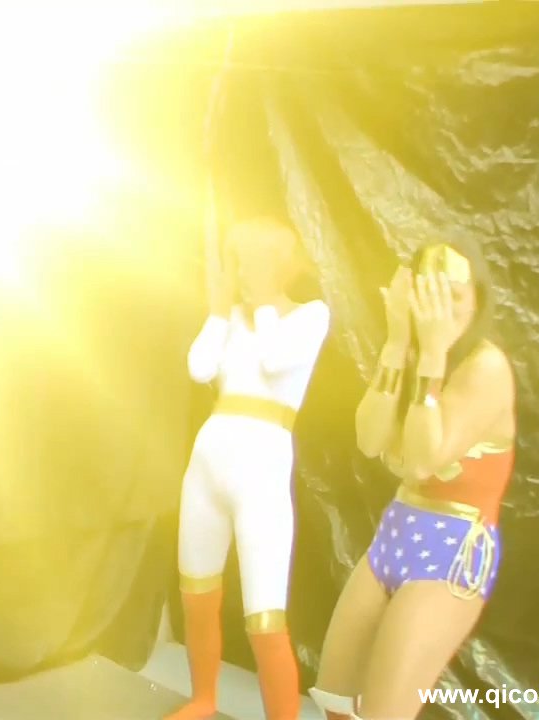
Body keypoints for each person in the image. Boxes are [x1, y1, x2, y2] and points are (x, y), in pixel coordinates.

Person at [308, 241, 517, 720]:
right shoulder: (414, 355)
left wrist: (431, 357)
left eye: (454, 295)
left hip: (452, 551)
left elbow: (423, 461)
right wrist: (397, 344)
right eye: (430, 292)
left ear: (478, 300)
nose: (440, 308)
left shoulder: (486, 368)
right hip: (396, 532)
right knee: (336, 701)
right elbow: (369, 438)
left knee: (385, 713)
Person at [167, 218, 331, 720]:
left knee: (265, 617)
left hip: (261, 473)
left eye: (253, 260)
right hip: (206, 466)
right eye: (238, 261)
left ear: (282, 264)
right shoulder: (233, 317)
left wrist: (259, 303)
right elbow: (199, 367)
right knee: (197, 595)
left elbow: (276, 359)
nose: (243, 271)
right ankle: (203, 699)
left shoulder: (310, 316)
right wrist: (219, 312)